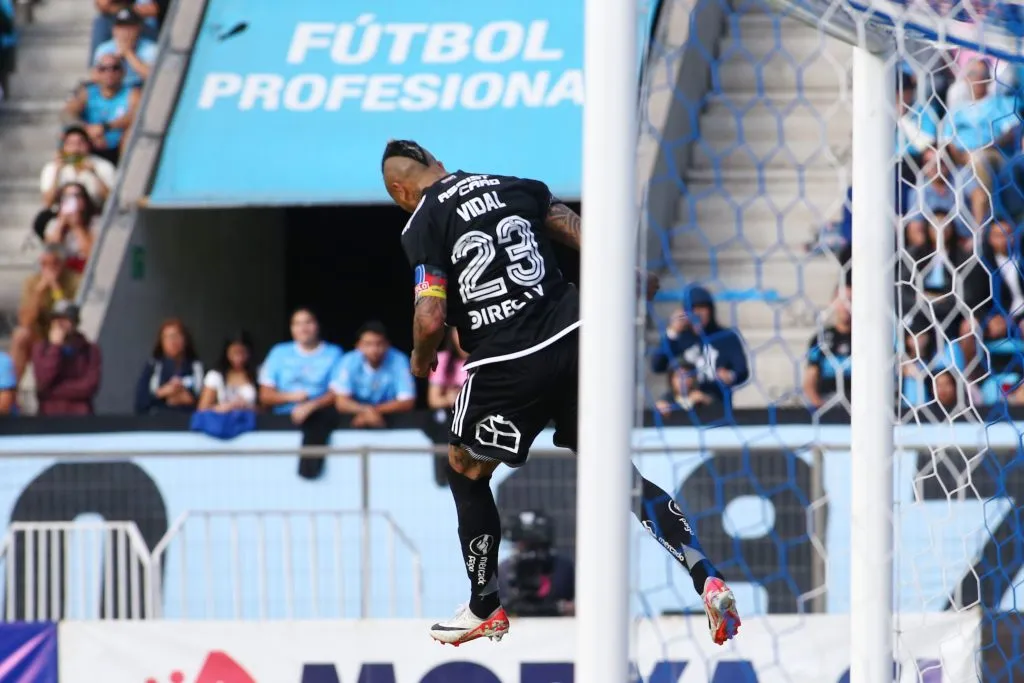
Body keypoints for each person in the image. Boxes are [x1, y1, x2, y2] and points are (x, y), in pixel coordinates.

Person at [383, 139, 739, 647]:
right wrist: (631, 277)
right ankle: (705, 574)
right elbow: (580, 233)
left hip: (507, 363)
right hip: (581, 338)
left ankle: (484, 604)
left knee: (464, 469)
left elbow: (430, 315)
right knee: (617, 471)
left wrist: (421, 358)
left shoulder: (422, 223)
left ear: (400, 188)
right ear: (438, 163)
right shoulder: (514, 186)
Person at [650, 285, 750, 412]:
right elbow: (657, 366)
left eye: (702, 308)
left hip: (716, 405)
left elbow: (742, 371)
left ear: (710, 310)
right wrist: (672, 332)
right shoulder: (678, 338)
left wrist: (730, 376)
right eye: (693, 308)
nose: (698, 313)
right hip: (682, 409)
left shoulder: (726, 337)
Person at [258, 308, 342, 424]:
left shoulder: (334, 353)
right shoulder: (278, 352)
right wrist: (292, 397)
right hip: (282, 419)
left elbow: (339, 392)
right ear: (291, 328)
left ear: (317, 325)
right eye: (297, 324)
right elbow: (265, 396)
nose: (303, 329)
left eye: (308, 322)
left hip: (321, 419)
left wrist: (312, 405)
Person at [331, 321, 415, 427]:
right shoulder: (348, 360)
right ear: (358, 346)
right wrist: (366, 411)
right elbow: (341, 402)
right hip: (355, 417)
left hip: (389, 416)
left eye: (379, 343)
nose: (374, 349)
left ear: (387, 344)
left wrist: (373, 411)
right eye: (368, 344)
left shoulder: (399, 360)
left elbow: (407, 402)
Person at [497, 509, 575, 617]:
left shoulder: (564, 569)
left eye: (535, 546)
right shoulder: (503, 571)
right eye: (523, 545)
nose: (529, 555)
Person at [31, 302, 102, 416]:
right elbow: (43, 381)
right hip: (49, 416)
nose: (59, 324)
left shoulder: (90, 350)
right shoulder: (41, 348)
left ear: (75, 323)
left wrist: (52, 391)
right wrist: (55, 348)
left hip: (79, 415)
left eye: (64, 319)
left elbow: (89, 386)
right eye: (55, 319)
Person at [134, 318, 203, 414]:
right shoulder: (153, 365)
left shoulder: (196, 366)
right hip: (157, 421)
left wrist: (187, 398)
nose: (172, 341)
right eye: (167, 337)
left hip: (187, 421)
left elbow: (205, 402)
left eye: (176, 336)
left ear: (185, 339)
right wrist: (163, 392)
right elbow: (140, 402)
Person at [197, 331, 258, 412]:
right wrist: (225, 407)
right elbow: (202, 409)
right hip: (221, 421)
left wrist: (247, 406)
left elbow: (265, 409)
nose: (238, 358)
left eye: (242, 352)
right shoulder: (215, 375)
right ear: (227, 352)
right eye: (234, 352)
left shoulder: (258, 374)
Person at [428, 328, 469, 411]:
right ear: (451, 335)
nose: (462, 337)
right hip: (450, 415)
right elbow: (433, 400)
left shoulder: (485, 359)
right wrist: (448, 398)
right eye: (458, 332)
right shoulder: (441, 359)